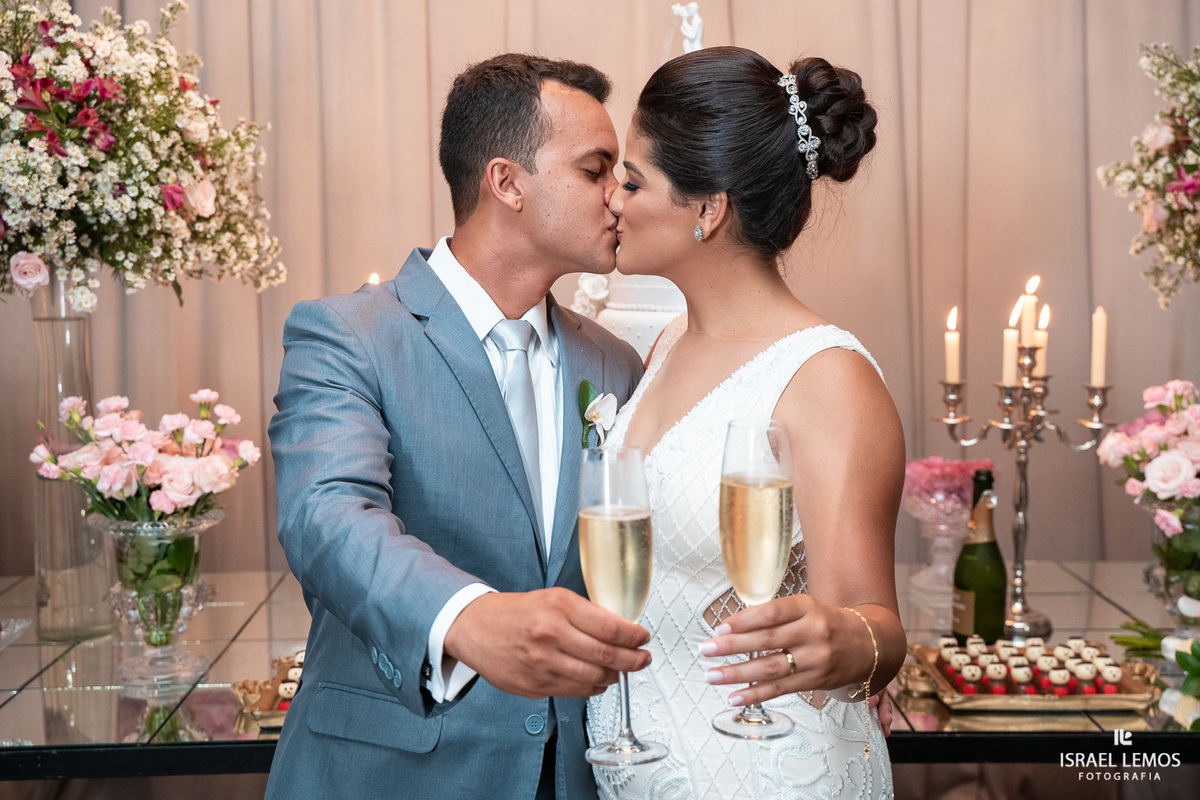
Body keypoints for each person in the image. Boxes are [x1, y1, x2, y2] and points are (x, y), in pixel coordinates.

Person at [265, 54, 649, 800]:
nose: (620, 197)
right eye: (595, 170)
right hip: (388, 775)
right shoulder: (346, 335)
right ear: (506, 182)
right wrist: (468, 619)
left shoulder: (614, 363)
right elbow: (327, 516)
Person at [585, 46, 905, 798]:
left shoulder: (828, 377)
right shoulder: (665, 346)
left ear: (709, 208)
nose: (613, 201)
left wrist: (844, 642)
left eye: (633, 180)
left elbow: (878, 629)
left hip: (772, 773)